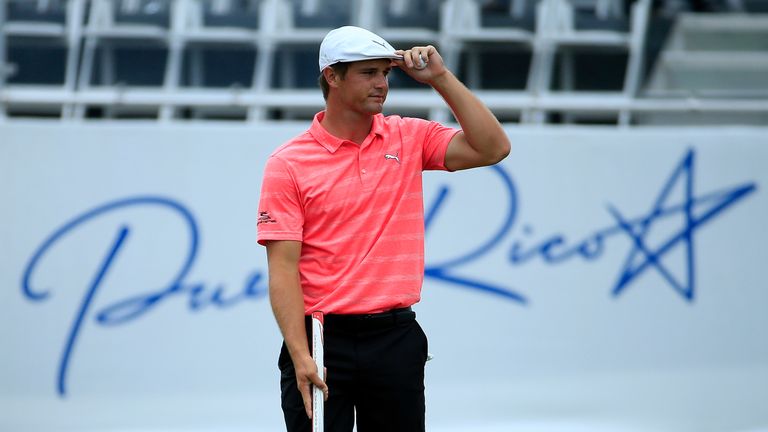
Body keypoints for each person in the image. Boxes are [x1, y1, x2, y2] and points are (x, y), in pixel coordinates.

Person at [257, 26, 510, 432]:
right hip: (322, 339)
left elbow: (493, 148)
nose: (382, 84)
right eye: (368, 73)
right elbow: (283, 268)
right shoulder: (288, 162)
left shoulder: (408, 135)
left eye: (385, 73)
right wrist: (300, 354)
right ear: (332, 77)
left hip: (395, 335)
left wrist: (440, 79)